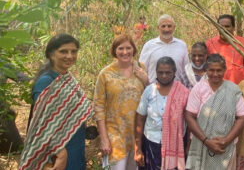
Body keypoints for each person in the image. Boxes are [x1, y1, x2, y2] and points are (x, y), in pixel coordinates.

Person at [20, 34, 93, 170]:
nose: (70, 56)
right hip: (59, 154)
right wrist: (60, 152)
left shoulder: (66, 78)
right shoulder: (46, 82)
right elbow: (42, 125)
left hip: (75, 146)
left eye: (74, 51)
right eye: (63, 51)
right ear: (51, 54)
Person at [93, 34, 148, 170]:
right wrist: (104, 138)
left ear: (134, 50)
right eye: (120, 48)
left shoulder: (141, 69)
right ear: (114, 51)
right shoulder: (105, 74)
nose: (125, 52)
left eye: (128, 48)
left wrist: (146, 81)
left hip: (138, 134)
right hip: (115, 134)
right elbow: (98, 106)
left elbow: (151, 96)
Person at [185, 54, 244, 170]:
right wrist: (206, 141)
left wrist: (226, 140)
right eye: (211, 70)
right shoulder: (198, 89)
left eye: (219, 70)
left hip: (225, 148)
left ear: (224, 70)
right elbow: (189, 116)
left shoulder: (233, 90)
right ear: (206, 70)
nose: (215, 74)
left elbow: (242, 117)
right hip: (201, 144)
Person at [134, 56, 189, 170]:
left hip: (176, 144)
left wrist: (188, 146)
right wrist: (138, 148)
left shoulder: (183, 92)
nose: (164, 76)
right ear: (156, 73)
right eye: (160, 72)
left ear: (174, 72)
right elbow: (140, 119)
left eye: (168, 72)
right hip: (151, 142)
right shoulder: (149, 91)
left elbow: (189, 122)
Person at [139, 14, 189, 84]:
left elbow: (186, 71)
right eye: (163, 26)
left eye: (169, 26)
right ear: (158, 28)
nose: (166, 29)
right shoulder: (149, 45)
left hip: (176, 92)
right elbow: (141, 70)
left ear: (174, 27)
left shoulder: (182, 45)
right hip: (154, 91)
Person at [206, 14, 244, 84]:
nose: (224, 29)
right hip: (216, 88)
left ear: (233, 28)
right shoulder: (210, 43)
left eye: (227, 26)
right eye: (221, 27)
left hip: (239, 88)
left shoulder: (242, 43)